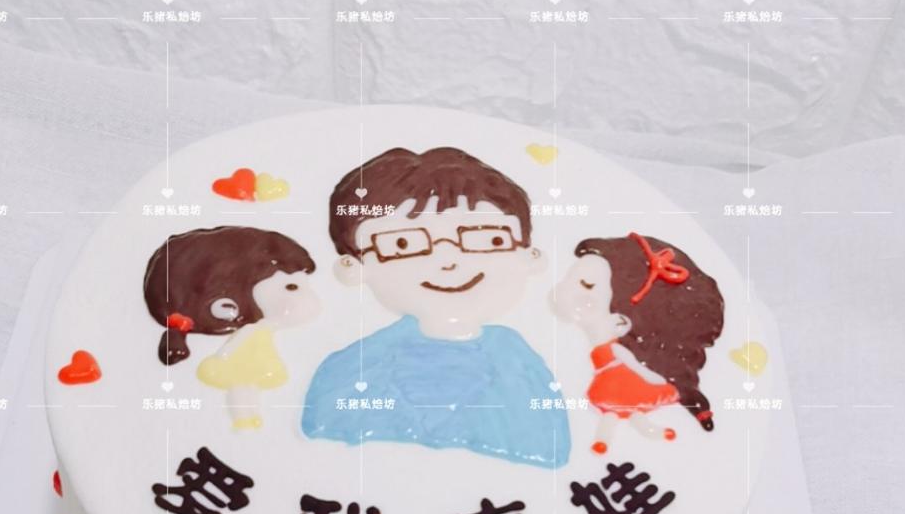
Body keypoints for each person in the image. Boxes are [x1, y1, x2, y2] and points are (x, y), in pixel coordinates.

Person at [300, 147, 570, 470]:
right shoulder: (349, 373)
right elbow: (324, 447)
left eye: (488, 239)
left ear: (528, 255)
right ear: (355, 266)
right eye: (403, 243)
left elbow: (547, 447)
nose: (448, 260)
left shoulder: (520, 367)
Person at [552, 233, 724, 453]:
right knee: (619, 413)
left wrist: (654, 379)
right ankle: (616, 436)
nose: (560, 290)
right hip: (614, 385)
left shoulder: (618, 349)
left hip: (624, 385)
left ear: (621, 319)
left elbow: (633, 365)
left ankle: (641, 432)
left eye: (587, 285)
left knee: (622, 411)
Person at [142, 226, 319, 428]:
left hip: (252, 363)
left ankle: (247, 418)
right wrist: (223, 356)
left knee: (247, 389)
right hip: (239, 363)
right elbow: (237, 341)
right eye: (291, 287)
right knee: (242, 388)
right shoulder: (251, 326)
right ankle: (244, 419)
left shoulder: (261, 326)